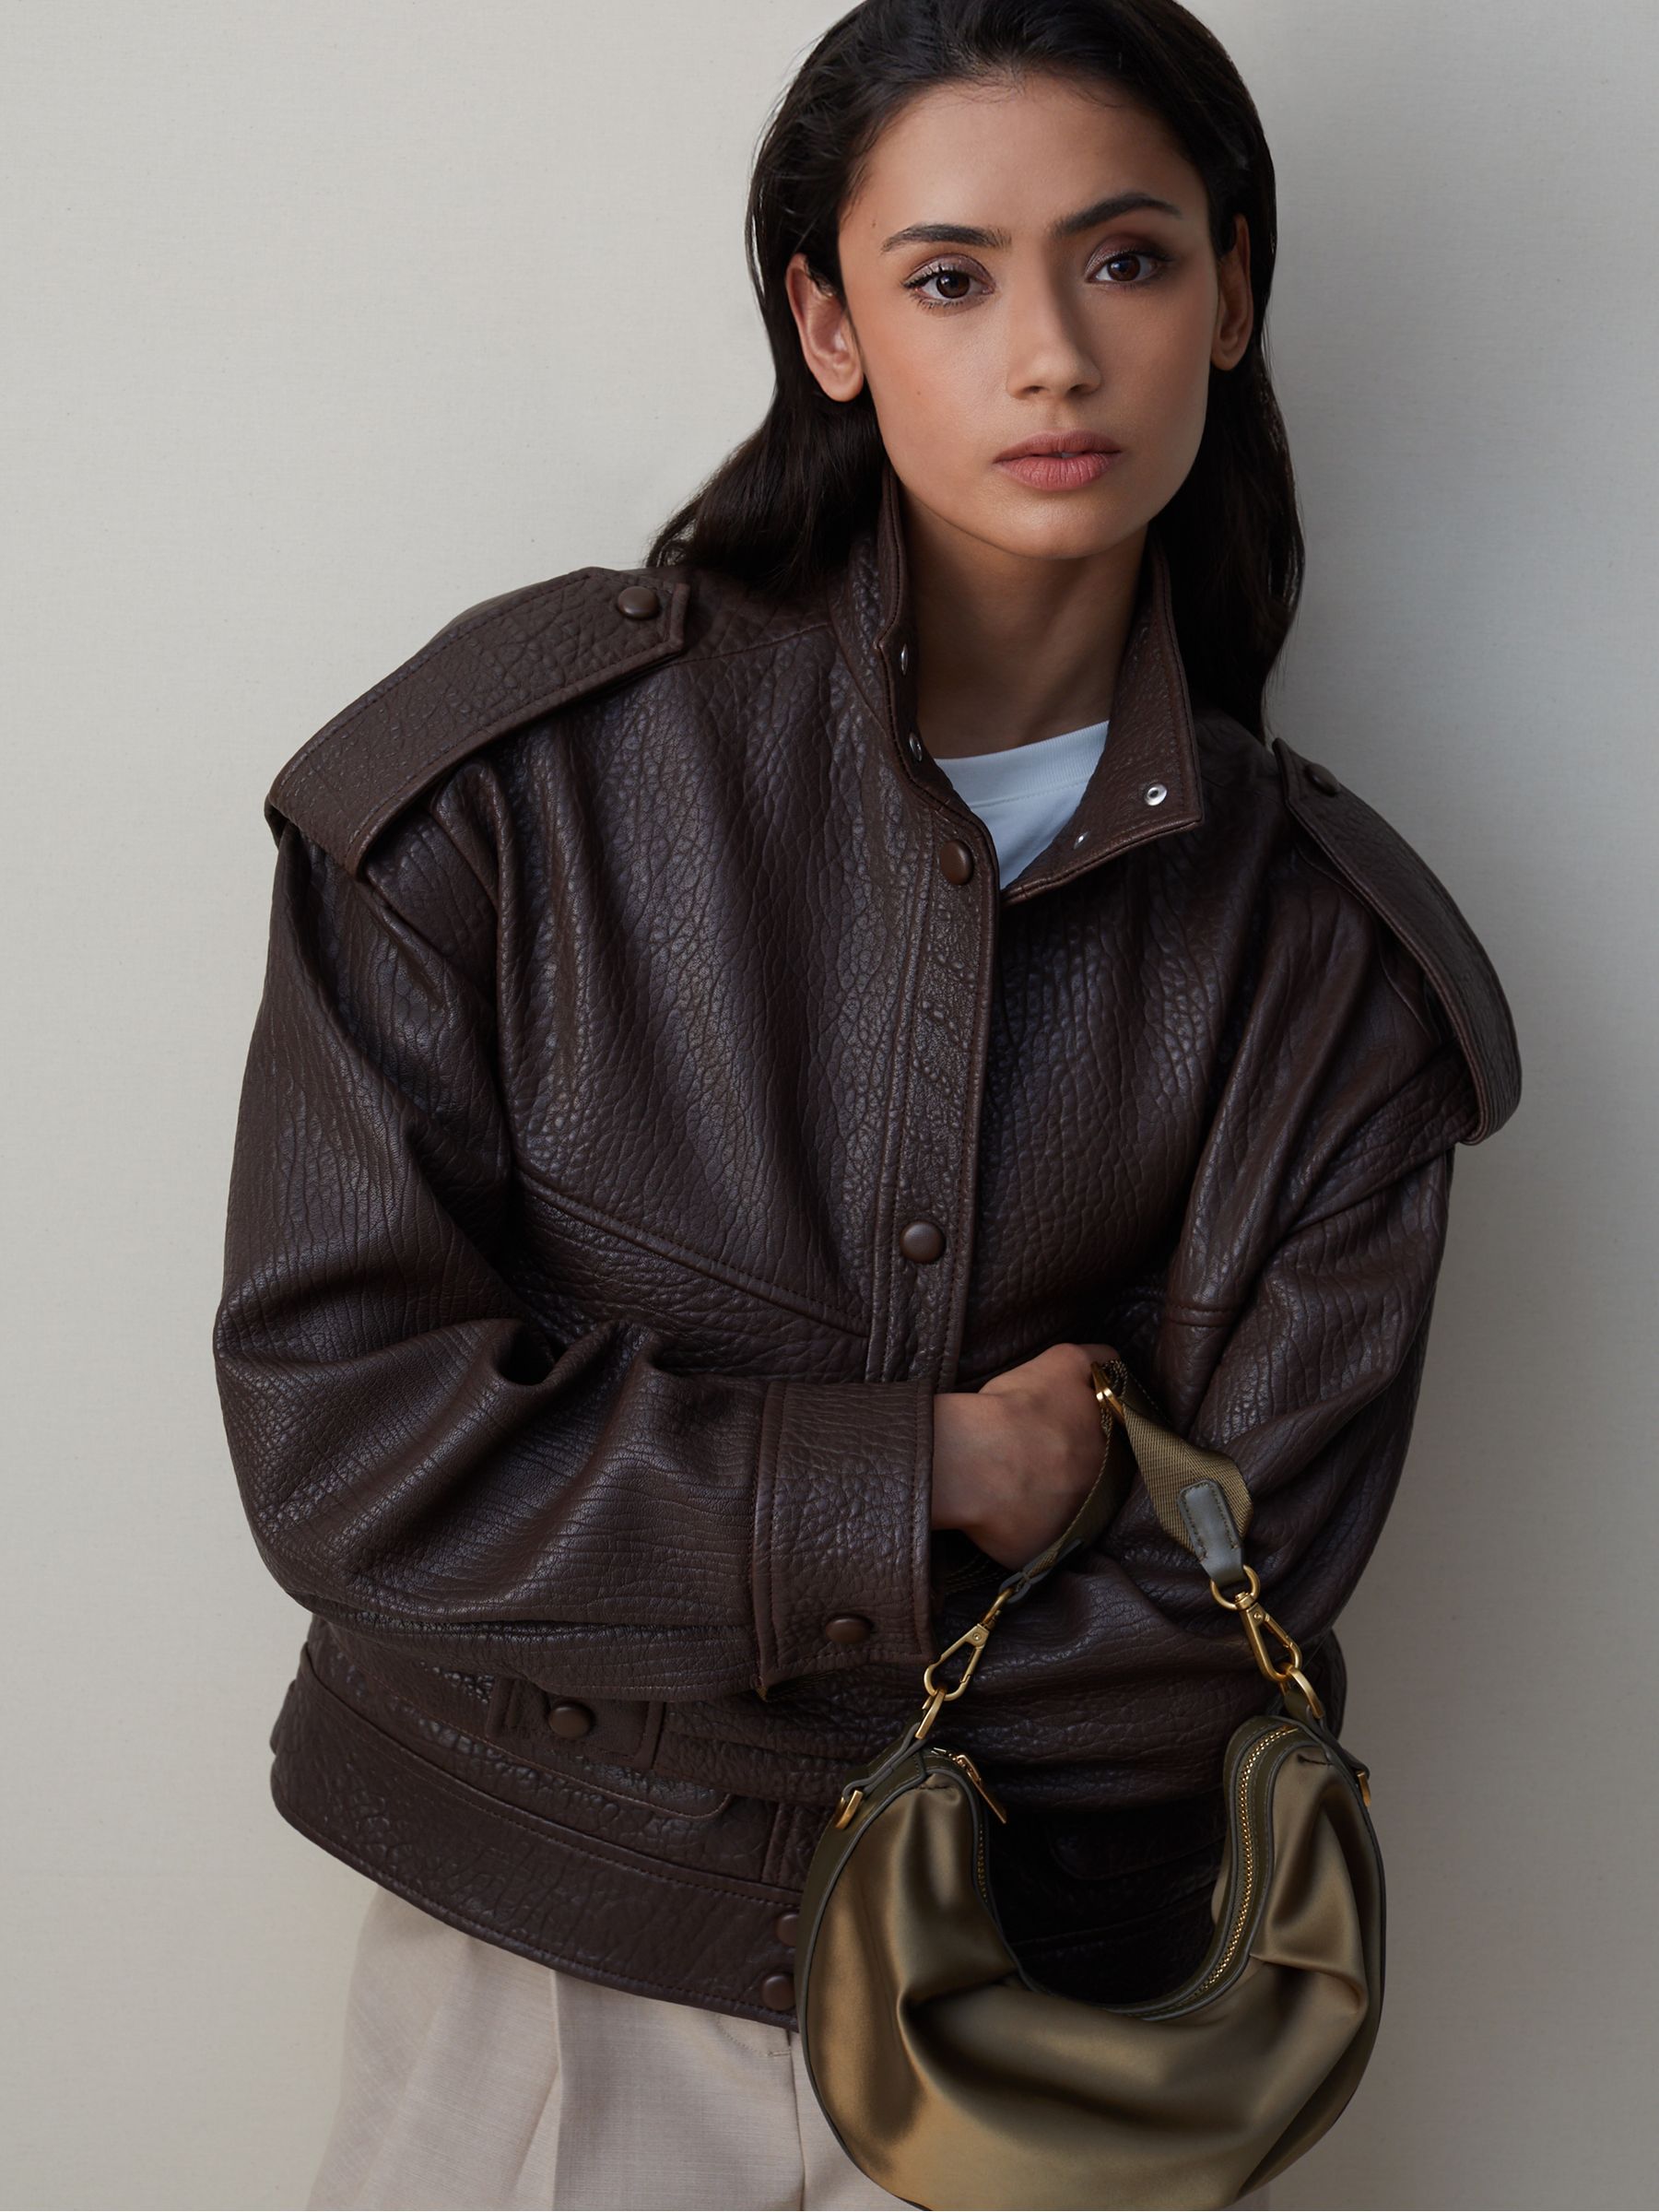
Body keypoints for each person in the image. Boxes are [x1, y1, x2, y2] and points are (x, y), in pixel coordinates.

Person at [210, 2, 1521, 2206]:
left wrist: (651, 1626)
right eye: (949, 277)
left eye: (1124, 260)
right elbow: (350, 1456)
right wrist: (927, 1476)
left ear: (1232, 293)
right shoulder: (512, 792)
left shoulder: (1335, 968)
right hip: (556, 1999)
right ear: (828, 324)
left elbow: (1221, 1625)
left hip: (1054, 2046)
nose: (1052, 358)